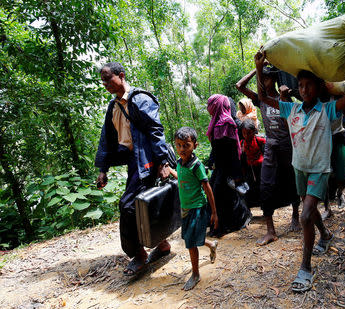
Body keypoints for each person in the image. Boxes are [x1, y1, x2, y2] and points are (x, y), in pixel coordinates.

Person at [254, 31, 345, 292]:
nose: (304, 90)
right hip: (299, 169)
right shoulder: (291, 109)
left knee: (305, 216)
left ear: (319, 87)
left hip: (318, 169)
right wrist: (259, 69)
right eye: (301, 86)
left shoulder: (327, 109)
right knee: (310, 210)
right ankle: (325, 235)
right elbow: (262, 98)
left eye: (309, 85)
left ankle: (305, 268)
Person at [95, 62, 171, 276]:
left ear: (121, 75)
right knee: (144, 203)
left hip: (147, 160)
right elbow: (107, 139)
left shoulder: (140, 99)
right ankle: (162, 244)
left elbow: (155, 130)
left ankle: (138, 254)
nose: (105, 84)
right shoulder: (113, 106)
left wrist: (163, 163)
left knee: (129, 205)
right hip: (133, 161)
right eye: (102, 81)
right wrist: (103, 169)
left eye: (108, 79)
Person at [236, 67, 300, 246]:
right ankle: (270, 230)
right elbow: (239, 85)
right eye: (261, 78)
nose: (264, 81)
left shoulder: (283, 97)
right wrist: (255, 69)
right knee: (266, 184)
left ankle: (295, 214)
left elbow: (292, 121)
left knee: (291, 179)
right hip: (271, 146)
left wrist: (286, 97)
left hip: (287, 144)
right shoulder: (260, 100)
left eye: (267, 78)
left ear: (274, 78)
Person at [167, 127, 219, 291]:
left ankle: (195, 275)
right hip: (186, 208)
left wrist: (214, 212)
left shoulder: (197, 166)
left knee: (190, 242)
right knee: (192, 237)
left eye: (186, 145)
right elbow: (181, 176)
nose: (182, 149)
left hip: (197, 208)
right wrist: (170, 171)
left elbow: (207, 188)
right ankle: (211, 245)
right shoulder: (180, 163)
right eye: (179, 145)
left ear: (194, 146)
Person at [206, 94, 252, 237]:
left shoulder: (226, 123)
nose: (208, 107)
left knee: (220, 197)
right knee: (221, 196)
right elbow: (216, 148)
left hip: (227, 168)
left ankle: (223, 226)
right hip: (220, 167)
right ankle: (221, 225)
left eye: (211, 104)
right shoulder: (216, 122)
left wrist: (237, 174)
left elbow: (233, 150)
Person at [240, 118, 266, 207]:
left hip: (261, 169)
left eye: (249, 133)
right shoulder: (242, 144)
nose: (246, 135)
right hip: (249, 170)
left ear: (254, 131)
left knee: (262, 188)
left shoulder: (260, 140)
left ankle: (265, 209)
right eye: (244, 133)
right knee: (250, 189)